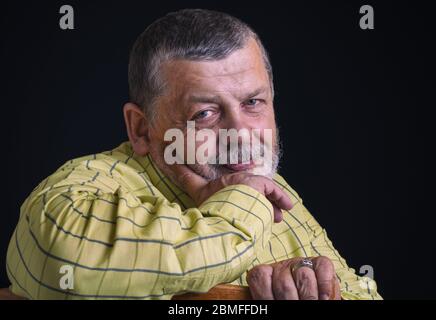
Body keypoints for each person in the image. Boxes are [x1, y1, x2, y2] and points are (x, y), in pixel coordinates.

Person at [6, 9, 381, 300]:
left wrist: (308, 283)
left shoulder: (276, 189)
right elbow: (58, 258)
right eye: (205, 114)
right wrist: (241, 210)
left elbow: (363, 292)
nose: (241, 135)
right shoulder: (88, 187)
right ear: (140, 128)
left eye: (253, 102)